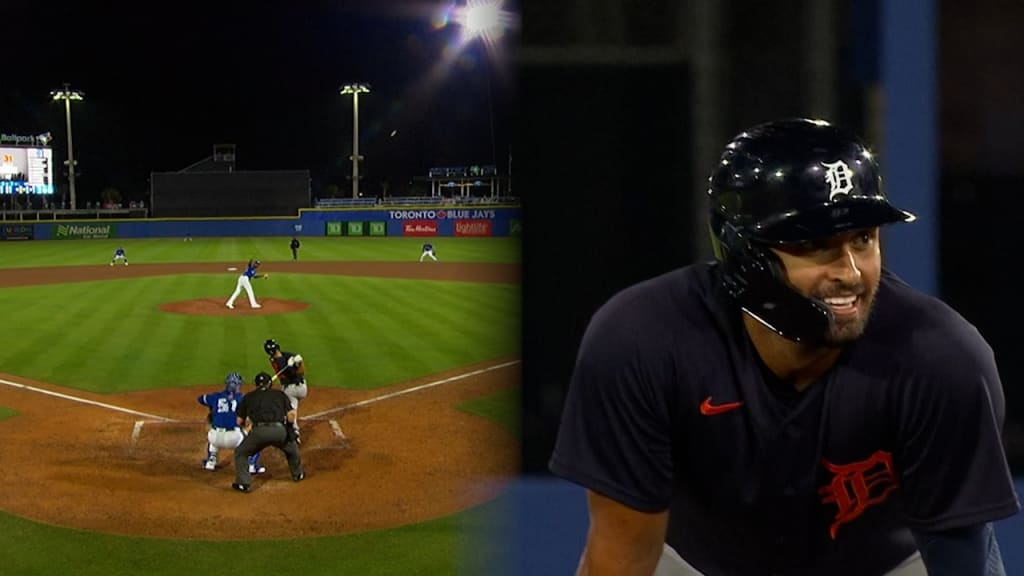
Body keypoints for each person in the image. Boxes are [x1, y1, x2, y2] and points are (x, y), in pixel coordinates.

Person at [548, 118, 1020, 576]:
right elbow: (622, 554)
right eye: (816, 245)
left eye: (863, 239)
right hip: (698, 565)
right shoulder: (643, 342)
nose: (851, 273)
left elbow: (964, 561)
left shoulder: (941, 361)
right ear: (746, 258)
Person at [231, 371, 304, 493]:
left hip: (258, 432)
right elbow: (291, 415)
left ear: (256, 384)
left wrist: (247, 430)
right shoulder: (280, 394)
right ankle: (298, 474)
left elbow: (239, 421)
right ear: (270, 383)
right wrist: (290, 430)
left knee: (240, 453)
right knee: (292, 449)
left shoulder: (248, 397)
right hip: (279, 431)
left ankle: (243, 483)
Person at [196, 371, 265, 474]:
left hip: (215, 438)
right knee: (256, 439)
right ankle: (251, 465)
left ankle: (211, 461)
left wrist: (213, 406)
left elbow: (201, 399)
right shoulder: (242, 398)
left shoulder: (215, 396)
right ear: (238, 385)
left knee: (212, 433)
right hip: (234, 439)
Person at [264, 338, 308, 442]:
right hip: (302, 388)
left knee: (289, 410)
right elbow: (299, 373)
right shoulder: (279, 362)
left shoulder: (279, 358)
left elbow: (299, 371)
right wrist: (297, 365)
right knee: (291, 407)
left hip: (291, 390)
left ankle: (294, 431)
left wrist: (298, 362)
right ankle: (292, 428)